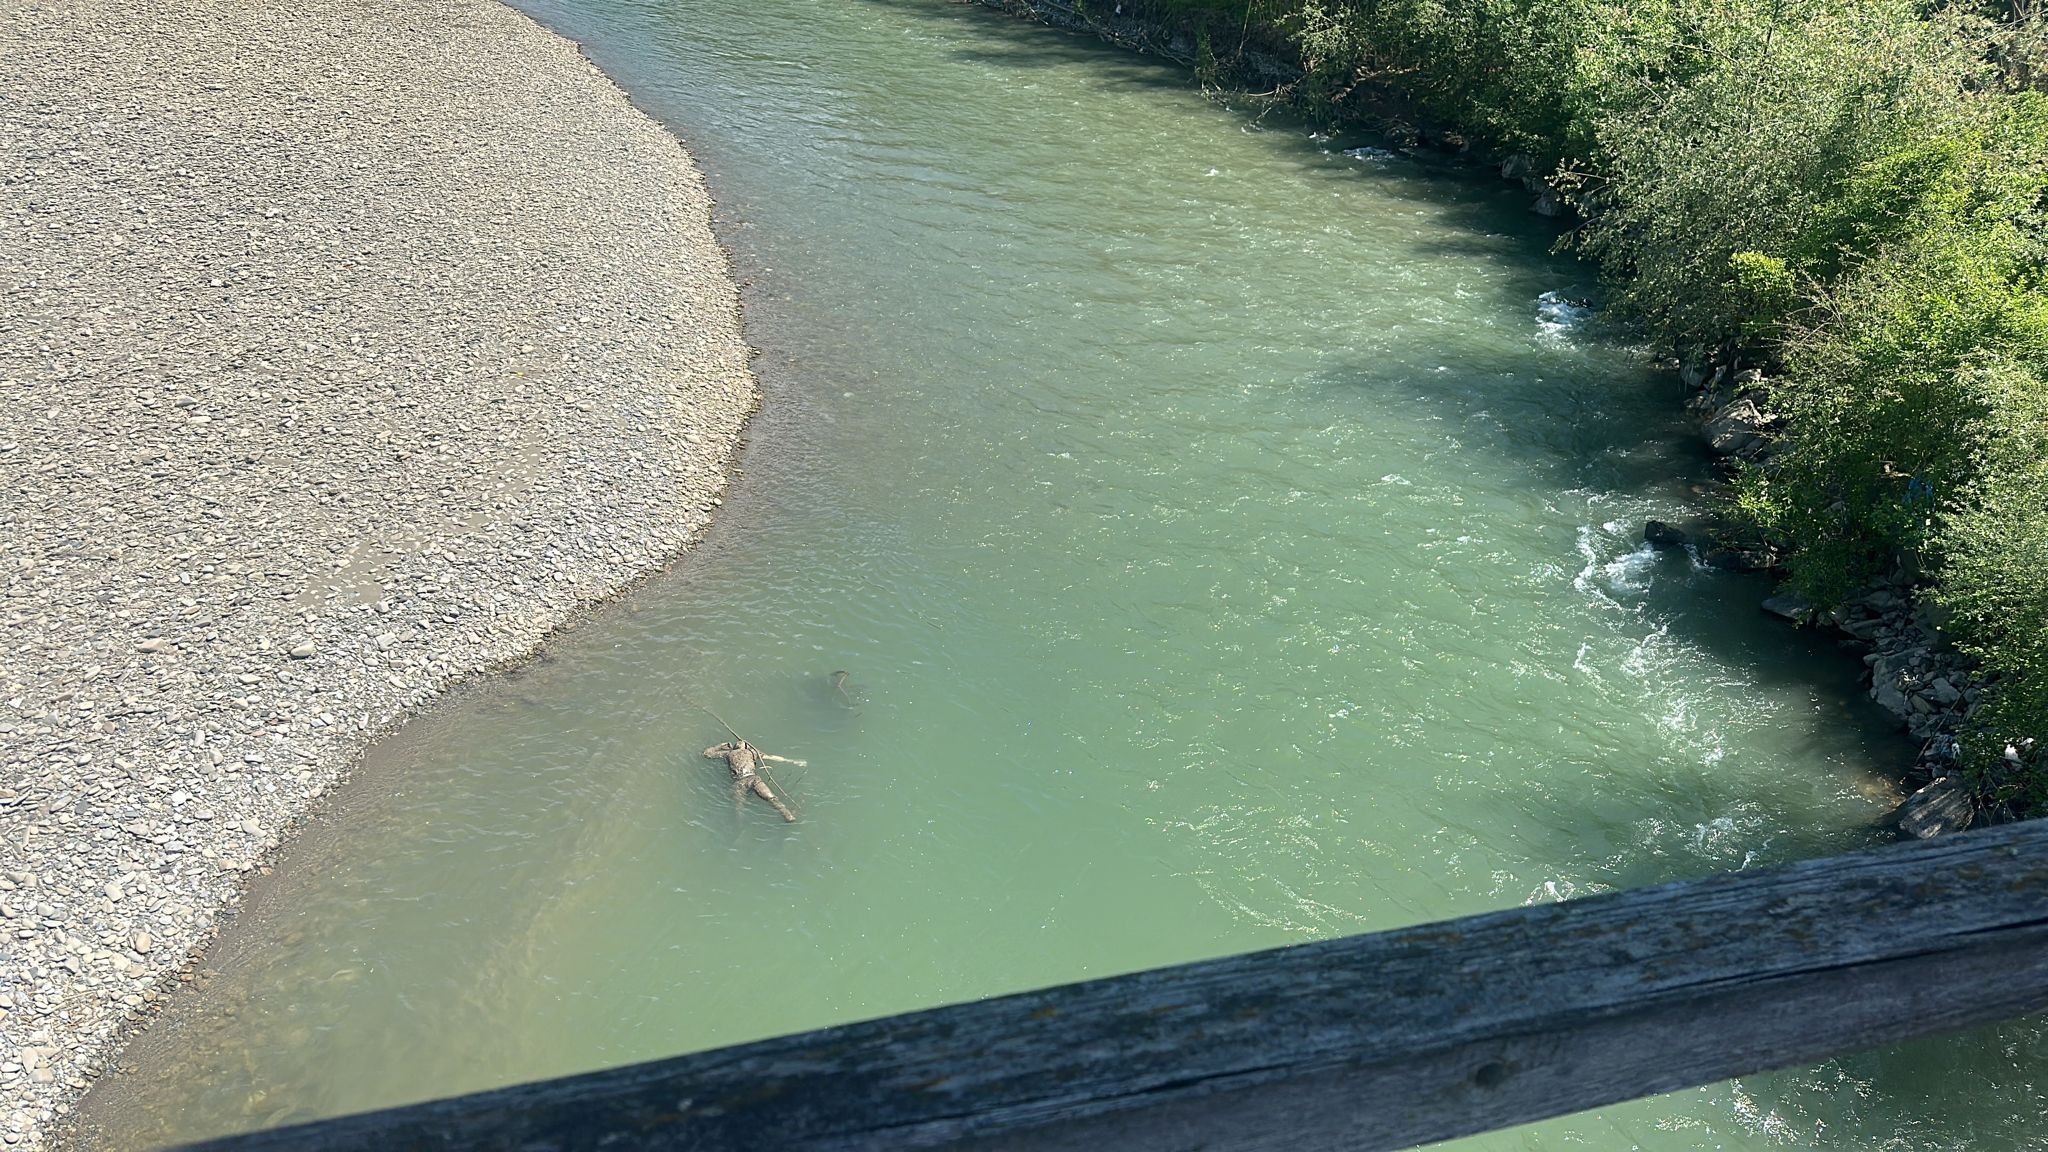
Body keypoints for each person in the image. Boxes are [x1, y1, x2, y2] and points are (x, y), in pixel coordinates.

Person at [703, 738, 805, 822]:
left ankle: (740, 826)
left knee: (739, 807)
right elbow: (771, 757)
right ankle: (787, 815)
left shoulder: (729, 753)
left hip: (740, 781)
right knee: (771, 798)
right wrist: (792, 761)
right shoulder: (751, 752)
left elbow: (707, 754)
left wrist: (721, 746)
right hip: (753, 779)